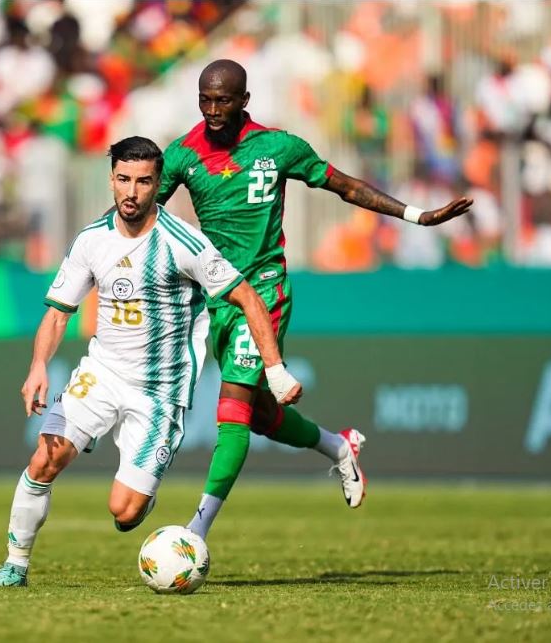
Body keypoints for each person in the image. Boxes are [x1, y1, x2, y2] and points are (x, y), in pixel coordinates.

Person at [156, 59, 473, 539]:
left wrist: (416, 215)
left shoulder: (279, 147)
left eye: (223, 100)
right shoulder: (182, 155)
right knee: (262, 415)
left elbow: (345, 186)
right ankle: (339, 447)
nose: (213, 109)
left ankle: (194, 533)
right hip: (217, 296)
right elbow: (140, 213)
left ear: (244, 101)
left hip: (264, 291)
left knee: (234, 409)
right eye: (206, 99)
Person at [0, 136, 302, 588]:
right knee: (44, 460)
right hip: (101, 373)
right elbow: (56, 314)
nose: (132, 191)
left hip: (159, 393)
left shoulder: (184, 242)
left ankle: (140, 495)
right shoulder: (91, 241)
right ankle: (14, 565)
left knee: (124, 513)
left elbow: (246, 296)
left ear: (158, 184)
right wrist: (37, 367)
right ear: (111, 180)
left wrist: (275, 370)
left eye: (144, 182)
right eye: (124, 180)